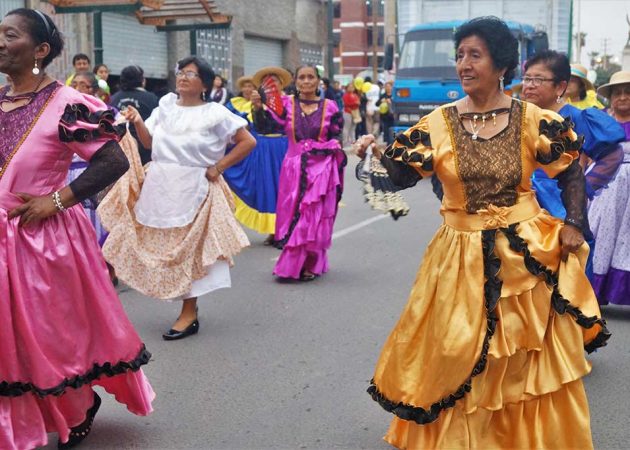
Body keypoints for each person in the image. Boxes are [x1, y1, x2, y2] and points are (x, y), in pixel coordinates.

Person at [355, 17, 609, 449]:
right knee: (457, 350)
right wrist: (374, 151)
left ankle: (521, 439)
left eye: (474, 55)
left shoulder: (533, 120)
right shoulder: (438, 122)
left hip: (526, 258)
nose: (463, 64)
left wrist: (573, 224)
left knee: (521, 359)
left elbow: (570, 174)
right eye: (459, 56)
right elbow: (399, 176)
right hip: (459, 256)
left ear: (501, 64)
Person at [0, 9, 155, 449]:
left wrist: (55, 200)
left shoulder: (69, 103)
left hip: (42, 240)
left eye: (9, 35)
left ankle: (77, 405)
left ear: (40, 51)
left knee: (50, 335)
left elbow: (113, 160)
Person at [99, 56, 256, 340]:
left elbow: (248, 142)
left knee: (189, 251)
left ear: (205, 83)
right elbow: (148, 143)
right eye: (181, 72)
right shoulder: (165, 106)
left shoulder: (215, 114)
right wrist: (136, 122)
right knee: (153, 244)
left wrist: (218, 167)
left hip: (194, 187)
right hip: (160, 184)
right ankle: (161, 295)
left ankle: (189, 311)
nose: (183, 77)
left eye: (191, 74)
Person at [520, 50, 625, 280]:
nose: (528, 86)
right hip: (522, 207)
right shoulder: (519, 117)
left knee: (565, 278)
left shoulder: (576, 118)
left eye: (538, 80)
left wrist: (585, 187)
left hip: (562, 207)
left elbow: (612, 154)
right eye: (526, 78)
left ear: (560, 87)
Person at [252, 65, 345, 281]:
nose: (306, 81)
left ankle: (311, 263)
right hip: (293, 169)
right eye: (301, 77)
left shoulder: (330, 107)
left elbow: (337, 135)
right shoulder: (286, 104)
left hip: (321, 170)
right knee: (294, 215)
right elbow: (267, 128)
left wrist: (333, 147)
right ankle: (295, 263)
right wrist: (258, 108)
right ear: (295, 81)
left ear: (318, 81)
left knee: (314, 216)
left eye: (310, 77)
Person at [223, 70, 291, 242]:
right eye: (268, 81)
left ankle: (284, 229)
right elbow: (257, 126)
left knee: (284, 189)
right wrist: (258, 107)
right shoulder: (257, 103)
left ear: (281, 83)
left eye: (275, 80)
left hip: (283, 148)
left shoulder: (289, 101)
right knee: (267, 188)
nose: (271, 83)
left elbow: (287, 123)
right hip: (262, 149)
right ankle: (274, 229)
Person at [589, 70, 630, 305]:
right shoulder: (601, 119)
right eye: (618, 93)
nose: (623, 97)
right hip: (604, 184)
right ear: (611, 97)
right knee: (597, 232)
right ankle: (592, 291)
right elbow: (585, 153)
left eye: (628, 93)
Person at [110, 64, 159, 165]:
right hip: (145, 151)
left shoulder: (113, 99)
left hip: (119, 149)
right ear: (142, 80)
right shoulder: (151, 98)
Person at [342, 82, 361, 147]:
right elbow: (346, 104)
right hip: (348, 112)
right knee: (346, 127)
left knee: (353, 128)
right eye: (349, 87)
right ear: (347, 88)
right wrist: (355, 103)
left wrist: (357, 103)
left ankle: (353, 141)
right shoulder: (345, 95)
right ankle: (345, 142)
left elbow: (358, 102)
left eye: (352, 87)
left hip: (355, 112)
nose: (351, 88)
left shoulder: (355, 95)